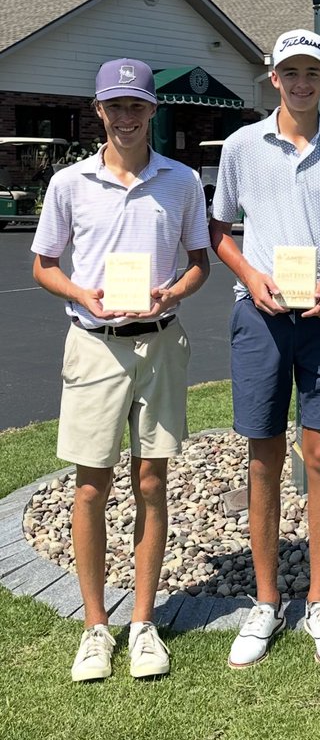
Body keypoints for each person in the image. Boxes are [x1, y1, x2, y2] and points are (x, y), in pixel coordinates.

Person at [32, 58, 210, 682]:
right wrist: (82, 294)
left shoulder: (182, 181)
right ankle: (94, 628)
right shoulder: (69, 183)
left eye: (137, 105)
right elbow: (44, 264)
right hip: (94, 345)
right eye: (116, 106)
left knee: (152, 482)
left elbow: (200, 262)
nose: (127, 117)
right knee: (90, 486)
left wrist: (173, 293)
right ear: (99, 111)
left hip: (160, 342)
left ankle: (141, 622)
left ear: (152, 111)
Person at [209, 28, 320, 672]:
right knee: (263, 457)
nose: (301, 82)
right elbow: (220, 229)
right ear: (273, 77)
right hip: (261, 316)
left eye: (312, 72)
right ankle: (267, 601)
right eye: (290, 72)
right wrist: (251, 276)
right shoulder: (242, 146)